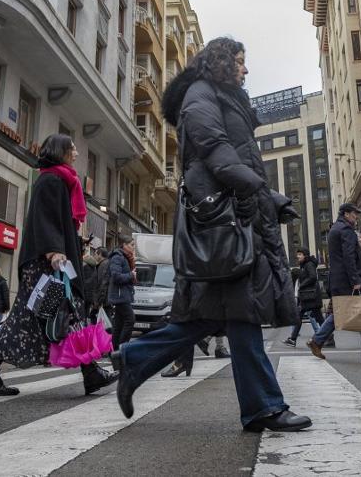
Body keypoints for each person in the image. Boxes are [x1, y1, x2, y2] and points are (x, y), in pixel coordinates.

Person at [112, 37, 310, 432]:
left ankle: (136, 359)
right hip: (225, 222)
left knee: (218, 317)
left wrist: (271, 197)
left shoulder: (218, 95)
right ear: (221, 61)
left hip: (233, 216)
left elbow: (231, 154)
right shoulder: (200, 95)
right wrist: (256, 189)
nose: (245, 69)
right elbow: (215, 149)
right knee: (240, 314)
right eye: (240, 61)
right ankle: (264, 407)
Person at [0, 134, 116, 397]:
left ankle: (91, 372)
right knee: (34, 316)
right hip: (46, 263)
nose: (76, 153)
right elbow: (45, 219)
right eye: (72, 149)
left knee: (67, 313)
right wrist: (54, 250)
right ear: (61, 150)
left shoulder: (59, 180)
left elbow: (59, 220)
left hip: (52, 262)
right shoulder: (51, 180)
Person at [305, 205, 361, 361]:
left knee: (350, 312)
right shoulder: (346, 230)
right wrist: (355, 280)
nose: (357, 217)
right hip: (348, 280)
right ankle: (318, 341)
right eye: (355, 214)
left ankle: (318, 341)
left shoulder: (335, 229)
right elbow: (349, 257)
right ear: (346, 214)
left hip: (339, 278)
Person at [283, 248, 323, 346]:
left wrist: (302, 285)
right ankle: (293, 339)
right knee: (316, 317)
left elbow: (313, 277)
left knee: (312, 317)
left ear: (305, 255)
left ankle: (293, 339)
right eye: (298, 254)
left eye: (300, 254)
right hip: (308, 296)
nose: (298, 256)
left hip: (311, 296)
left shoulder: (309, 264)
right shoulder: (304, 265)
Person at [108, 234, 138, 349]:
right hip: (120, 296)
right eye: (132, 245)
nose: (133, 247)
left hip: (123, 294)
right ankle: (122, 348)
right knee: (130, 320)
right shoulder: (117, 257)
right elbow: (115, 276)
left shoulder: (125, 257)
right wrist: (131, 275)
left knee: (119, 324)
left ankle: (115, 351)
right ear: (124, 245)